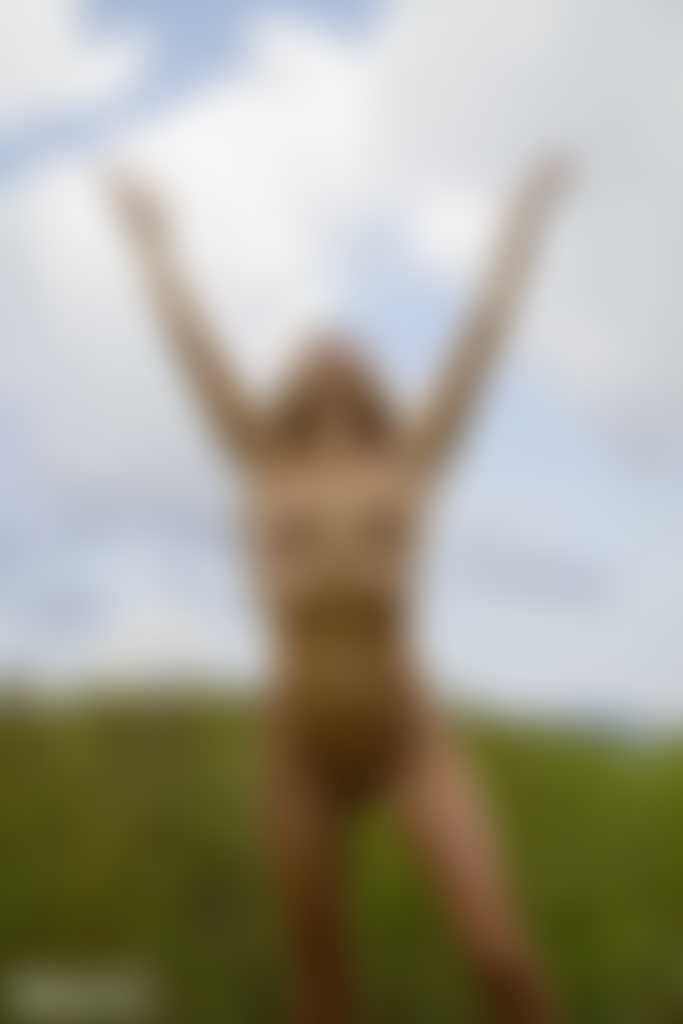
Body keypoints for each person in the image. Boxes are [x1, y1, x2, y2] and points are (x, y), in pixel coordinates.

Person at [110, 156, 571, 1023]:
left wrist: (526, 223)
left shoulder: (409, 459)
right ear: (291, 380)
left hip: (407, 736)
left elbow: (480, 342)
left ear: (370, 380)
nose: (334, 345)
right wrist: (153, 243)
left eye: (351, 342)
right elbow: (192, 347)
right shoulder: (260, 457)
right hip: (300, 751)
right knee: (323, 993)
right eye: (316, 344)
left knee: (500, 957)